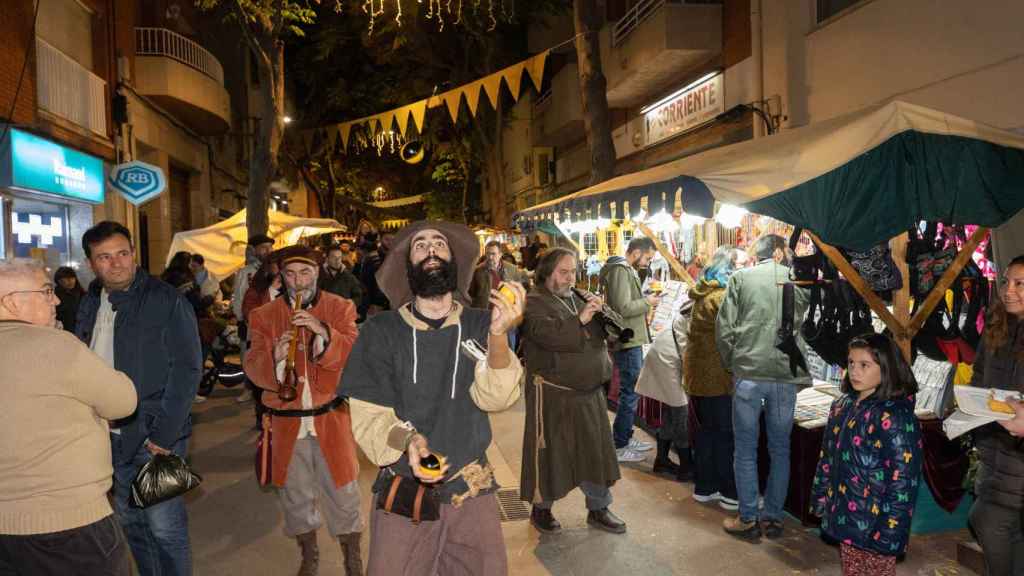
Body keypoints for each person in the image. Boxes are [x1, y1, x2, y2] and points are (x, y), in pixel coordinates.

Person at [339, 221, 524, 576]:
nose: (431, 250)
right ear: (407, 266)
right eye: (420, 246)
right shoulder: (380, 332)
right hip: (403, 489)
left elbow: (497, 397)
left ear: (454, 259)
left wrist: (498, 335)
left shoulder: (481, 324)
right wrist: (408, 440)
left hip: (471, 487)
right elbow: (368, 415)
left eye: (439, 243)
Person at [75, 221, 202, 576]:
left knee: (165, 528)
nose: (116, 264)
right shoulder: (90, 302)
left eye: (122, 253)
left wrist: (165, 433)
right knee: (131, 524)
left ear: (134, 254)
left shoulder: (167, 300)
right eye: (104, 257)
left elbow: (188, 369)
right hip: (105, 437)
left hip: (157, 437)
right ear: (91, 264)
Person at [0, 258, 137, 576]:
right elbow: (123, 401)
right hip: (71, 527)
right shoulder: (57, 346)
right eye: (47, 292)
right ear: (12, 301)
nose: (57, 300)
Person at [245, 246, 364, 576]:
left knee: (345, 492)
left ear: (318, 273)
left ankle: (352, 556)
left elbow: (355, 354)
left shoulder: (339, 307)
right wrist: (275, 357)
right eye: (291, 274)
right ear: (282, 276)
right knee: (295, 497)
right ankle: (309, 555)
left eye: (306, 273)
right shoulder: (264, 315)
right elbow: (253, 368)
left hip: (330, 419)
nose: (299, 282)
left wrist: (323, 331)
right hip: (286, 424)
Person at [520, 247, 625, 535]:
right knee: (553, 455)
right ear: (547, 273)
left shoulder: (575, 297)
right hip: (554, 397)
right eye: (563, 272)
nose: (570, 278)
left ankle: (598, 508)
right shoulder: (533, 302)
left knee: (594, 452)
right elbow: (547, 335)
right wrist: (580, 319)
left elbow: (615, 333)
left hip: (589, 394)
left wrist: (603, 312)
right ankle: (541, 509)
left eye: (573, 271)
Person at [716, 234, 810, 541]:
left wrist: (734, 362)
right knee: (780, 448)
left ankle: (748, 519)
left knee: (745, 449)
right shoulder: (798, 281)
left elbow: (725, 327)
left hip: (749, 372)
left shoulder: (741, 278)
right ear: (781, 252)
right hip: (784, 375)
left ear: (761, 254)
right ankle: (773, 518)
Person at [811, 333, 922, 576]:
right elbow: (828, 457)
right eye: (851, 363)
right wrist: (821, 496)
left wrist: (890, 529)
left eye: (864, 365)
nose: (855, 371)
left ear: (886, 367)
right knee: (852, 570)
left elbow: (904, 480)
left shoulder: (896, 417)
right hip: (846, 515)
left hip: (878, 523)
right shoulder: (842, 406)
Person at [968, 254, 1024, 576]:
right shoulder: (996, 328)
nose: (1008, 290)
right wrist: (968, 406)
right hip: (992, 446)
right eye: (1005, 281)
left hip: (1018, 455)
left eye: (1020, 284)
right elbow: (978, 376)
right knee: (1005, 528)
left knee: (988, 519)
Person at [685, 246, 743, 510]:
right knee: (724, 434)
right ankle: (729, 492)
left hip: (698, 376)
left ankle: (705, 486)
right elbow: (732, 336)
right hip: (717, 375)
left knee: (707, 432)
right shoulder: (721, 297)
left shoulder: (703, 292)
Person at [599, 236, 661, 462]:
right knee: (630, 393)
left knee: (630, 392)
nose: (647, 262)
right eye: (647, 258)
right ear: (636, 252)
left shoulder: (624, 270)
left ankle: (625, 435)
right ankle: (620, 444)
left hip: (631, 338)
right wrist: (648, 303)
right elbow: (623, 307)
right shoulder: (620, 271)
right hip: (627, 340)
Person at [233, 234, 276, 404]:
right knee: (249, 356)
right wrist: (241, 318)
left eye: (270, 247)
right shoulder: (246, 272)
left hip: (271, 321)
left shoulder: (275, 269)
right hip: (250, 321)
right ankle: (248, 387)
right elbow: (238, 296)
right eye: (264, 247)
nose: (268, 251)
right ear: (254, 250)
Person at [319, 244, 364, 309]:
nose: (337, 260)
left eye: (339, 257)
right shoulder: (319, 275)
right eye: (333, 257)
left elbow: (358, 295)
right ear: (327, 259)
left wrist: (350, 303)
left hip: (344, 314)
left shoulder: (349, 276)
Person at [54, 265, 85, 332]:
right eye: (66, 278)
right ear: (59, 281)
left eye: (72, 277)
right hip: (63, 333)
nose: (70, 280)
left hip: (81, 332)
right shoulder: (55, 297)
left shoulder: (83, 294)